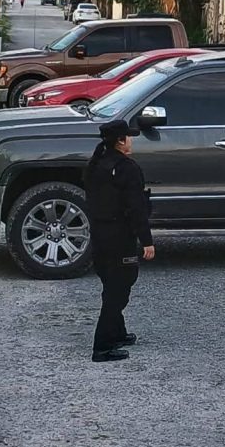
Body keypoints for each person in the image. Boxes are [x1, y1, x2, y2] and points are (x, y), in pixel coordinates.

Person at [84, 120, 155, 363]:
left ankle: (117, 333)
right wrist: (147, 240)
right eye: (128, 137)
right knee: (120, 289)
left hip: (100, 235)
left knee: (111, 283)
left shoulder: (96, 165)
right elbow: (136, 208)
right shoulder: (127, 168)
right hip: (120, 237)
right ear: (120, 141)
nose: (131, 141)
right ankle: (102, 346)